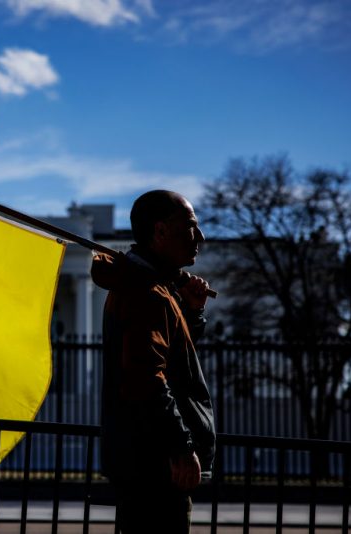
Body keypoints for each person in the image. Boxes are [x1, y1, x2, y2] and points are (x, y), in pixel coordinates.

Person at [91, 190, 216, 534]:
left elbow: (172, 363)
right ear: (160, 231)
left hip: (144, 461)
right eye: (190, 226)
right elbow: (147, 377)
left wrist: (191, 311)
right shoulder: (148, 294)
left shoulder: (149, 290)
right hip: (156, 466)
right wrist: (180, 445)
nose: (200, 237)